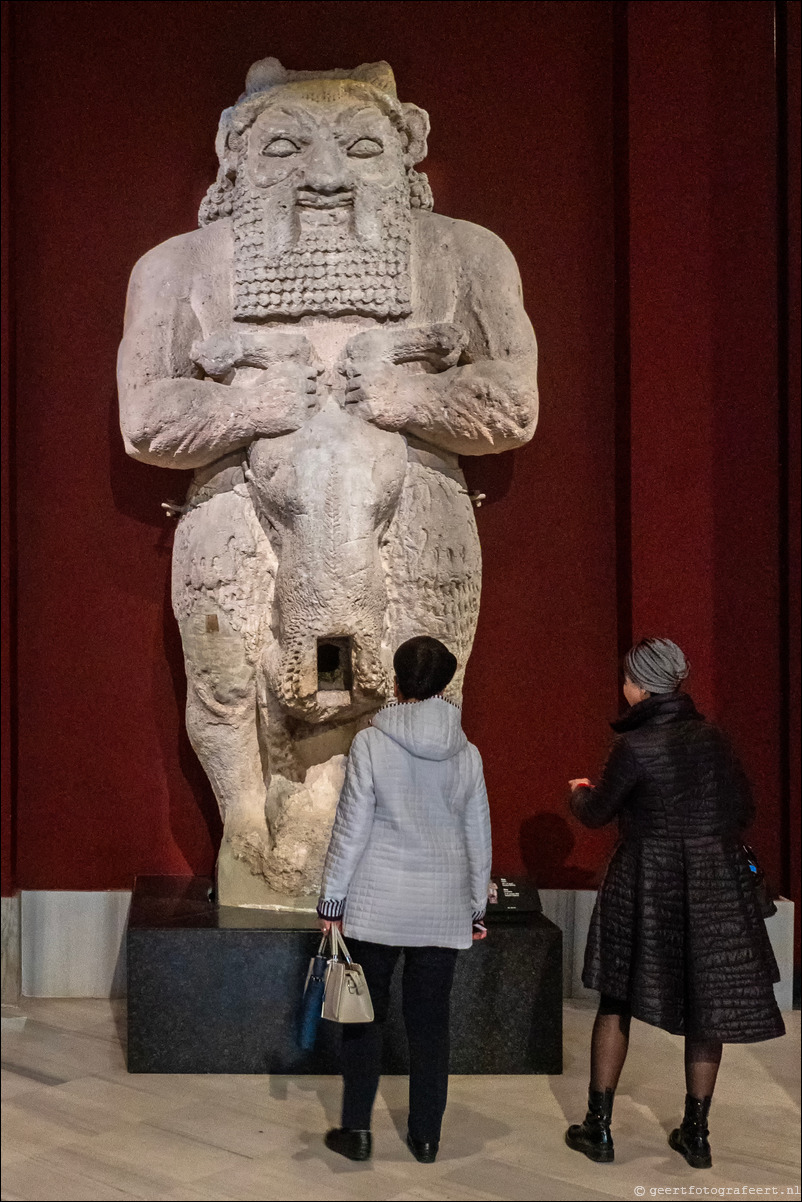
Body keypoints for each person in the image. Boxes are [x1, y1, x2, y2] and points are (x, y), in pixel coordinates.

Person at [566, 637, 784, 1169]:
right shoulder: (713, 738)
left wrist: (577, 792)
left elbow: (597, 813)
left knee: (618, 998)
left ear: (639, 686)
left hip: (646, 881)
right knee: (706, 1004)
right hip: (714, 883)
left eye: (627, 678)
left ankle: (599, 1130)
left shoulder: (635, 746)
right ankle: (697, 1134)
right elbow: (744, 805)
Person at [316, 636, 492, 1164]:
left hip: (377, 905)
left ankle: (357, 1131)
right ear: (445, 685)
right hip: (440, 908)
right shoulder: (468, 753)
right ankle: (426, 1137)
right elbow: (477, 835)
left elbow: (351, 829)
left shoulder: (371, 744)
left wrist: (331, 903)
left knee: (364, 1019)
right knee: (431, 1024)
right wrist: (477, 908)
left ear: (396, 682)